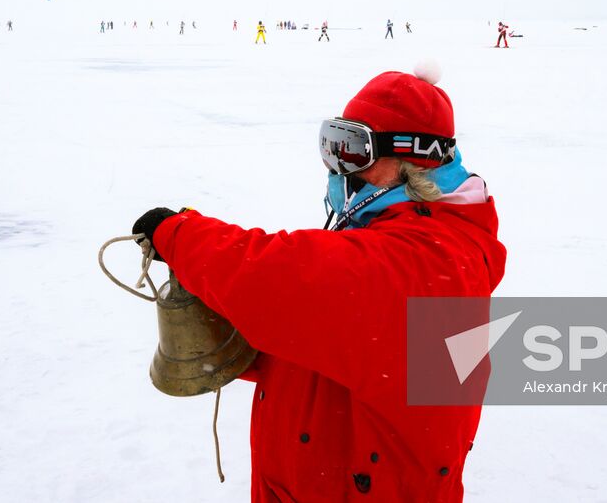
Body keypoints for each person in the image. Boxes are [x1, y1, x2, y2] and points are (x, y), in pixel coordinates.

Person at [130, 68, 504, 500]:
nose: (338, 166)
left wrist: (180, 236)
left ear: (412, 159)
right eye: (333, 145)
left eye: (354, 150)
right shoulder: (391, 239)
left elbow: (283, 277)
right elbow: (328, 340)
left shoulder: (425, 260)